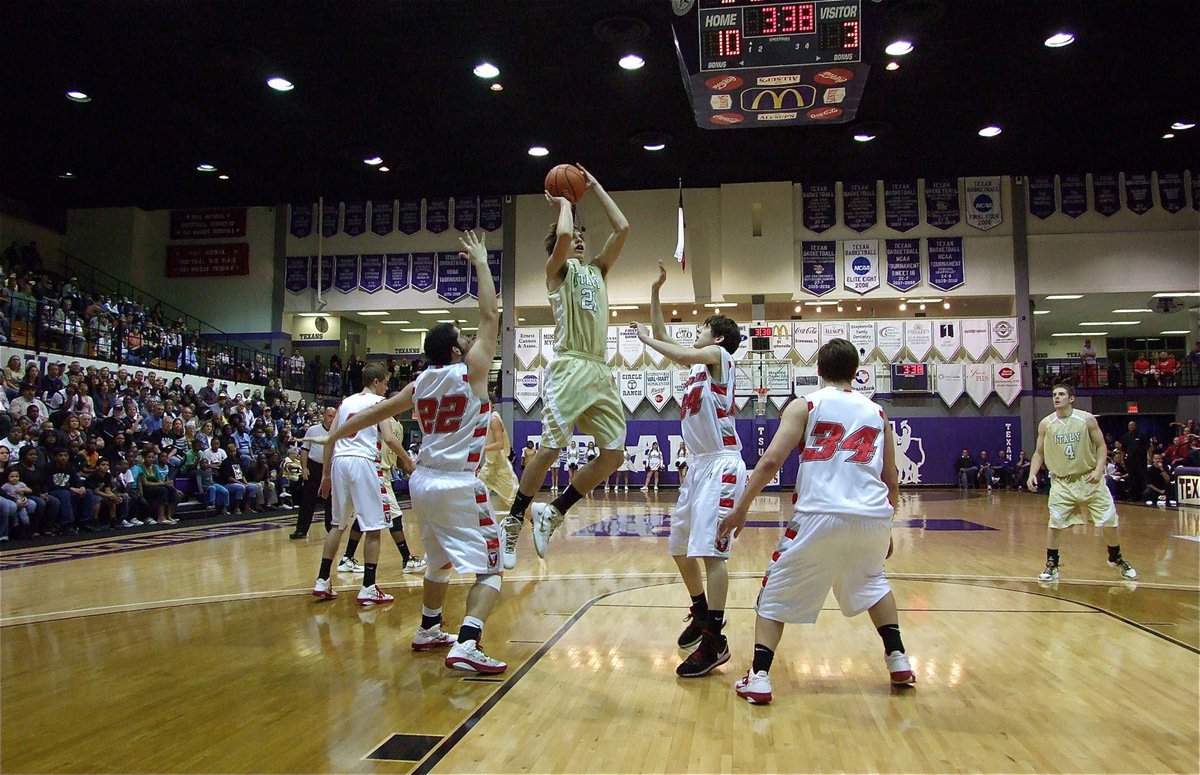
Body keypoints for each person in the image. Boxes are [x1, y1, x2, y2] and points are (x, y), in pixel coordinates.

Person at [316, 230, 505, 672]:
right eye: (463, 338)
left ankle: (429, 627)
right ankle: (468, 642)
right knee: (492, 569)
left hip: (422, 482)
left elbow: (377, 411)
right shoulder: (472, 373)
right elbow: (491, 314)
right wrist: (480, 261)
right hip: (458, 482)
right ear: (458, 350)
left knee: (438, 559)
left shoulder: (419, 384)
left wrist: (336, 434)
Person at [719, 338, 914, 704]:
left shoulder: (805, 404)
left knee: (772, 594)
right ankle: (898, 659)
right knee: (873, 582)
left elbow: (769, 462)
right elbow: (891, 478)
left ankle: (759, 677)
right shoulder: (877, 413)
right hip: (872, 515)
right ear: (856, 373)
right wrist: (888, 527)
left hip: (820, 513)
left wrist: (741, 507)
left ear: (818, 371)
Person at [500, 166, 630, 566]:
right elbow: (559, 236)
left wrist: (594, 187)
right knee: (551, 448)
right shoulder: (557, 273)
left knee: (614, 454)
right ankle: (512, 520)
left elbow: (622, 227)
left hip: (598, 370)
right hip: (569, 366)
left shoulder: (597, 271)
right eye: (572, 237)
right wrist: (564, 203)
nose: (577, 240)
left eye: (580, 238)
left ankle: (554, 511)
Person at [636, 266, 746, 677]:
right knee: (679, 548)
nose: (694, 334)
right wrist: (654, 292)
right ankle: (701, 612)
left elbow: (673, 350)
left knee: (711, 551)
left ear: (715, 338)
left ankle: (716, 639)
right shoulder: (700, 366)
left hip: (721, 462)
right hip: (697, 467)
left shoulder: (720, 356)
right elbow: (668, 340)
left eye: (700, 329)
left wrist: (647, 340)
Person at [313, 361, 412, 605]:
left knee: (338, 524)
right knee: (374, 526)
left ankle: (322, 579)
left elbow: (330, 440)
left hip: (339, 462)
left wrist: (325, 475)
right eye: (386, 383)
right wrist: (408, 459)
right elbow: (388, 437)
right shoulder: (379, 404)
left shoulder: (345, 403)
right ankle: (368, 585)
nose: (386, 388)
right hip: (363, 462)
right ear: (376, 382)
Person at [1026, 383, 1137, 581]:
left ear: (1071, 398)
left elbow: (1102, 446)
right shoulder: (1046, 424)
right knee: (1055, 523)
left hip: (1089, 478)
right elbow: (1039, 452)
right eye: (1054, 395)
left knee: (1109, 519)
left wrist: (1098, 469)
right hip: (1061, 482)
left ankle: (1115, 556)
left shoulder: (1086, 419)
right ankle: (1052, 563)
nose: (1056, 397)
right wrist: (1032, 473)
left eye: (1061, 394)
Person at [290, 406, 335, 539]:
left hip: (330, 468)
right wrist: (304, 467)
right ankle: (301, 530)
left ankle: (331, 529)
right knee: (307, 499)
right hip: (314, 467)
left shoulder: (338, 431)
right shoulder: (313, 430)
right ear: (324, 416)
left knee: (330, 501)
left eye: (334, 417)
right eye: (329, 416)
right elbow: (305, 449)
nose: (331, 419)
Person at [478, 410, 519, 517]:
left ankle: (533, 520)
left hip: (501, 467)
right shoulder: (484, 419)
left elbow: (500, 444)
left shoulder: (494, 419)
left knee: (515, 500)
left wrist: (482, 448)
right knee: (475, 491)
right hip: (490, 466)